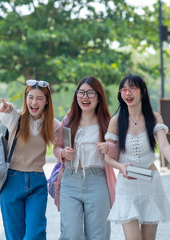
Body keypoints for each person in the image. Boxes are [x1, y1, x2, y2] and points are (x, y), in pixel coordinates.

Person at [104, 74, 170, 240]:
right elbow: (107, 158)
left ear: (142, 91)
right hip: (126, 186)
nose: (128, 93)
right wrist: (121, 167)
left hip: (151, 184)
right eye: (124, 89)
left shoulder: (154, 117)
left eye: (132, 88)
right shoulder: (116, 121)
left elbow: (163, 145)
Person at [53, 76, 118, 240]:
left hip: (97, 181)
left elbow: (118, 151)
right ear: (76, 96)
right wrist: (62, 153)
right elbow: (56, 147)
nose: (85, 97)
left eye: (90, 93)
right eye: (81, 93)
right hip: (70, 181)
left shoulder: (107, 123)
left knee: (98, 234)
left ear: (99, 97)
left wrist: (108, 147)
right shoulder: (68, 122)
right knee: (71, 234)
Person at [0, 80, 60, 240]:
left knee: (35, 234)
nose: (34, 102)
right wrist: (6, 107)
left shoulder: (51, 124)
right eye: (30, 97)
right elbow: (7, 111)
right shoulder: (15, 119)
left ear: (46, 101)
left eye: (39, 98)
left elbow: (69, 136)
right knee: (14, 235)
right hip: (11, 182)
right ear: (25, 98)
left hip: (37, 183)